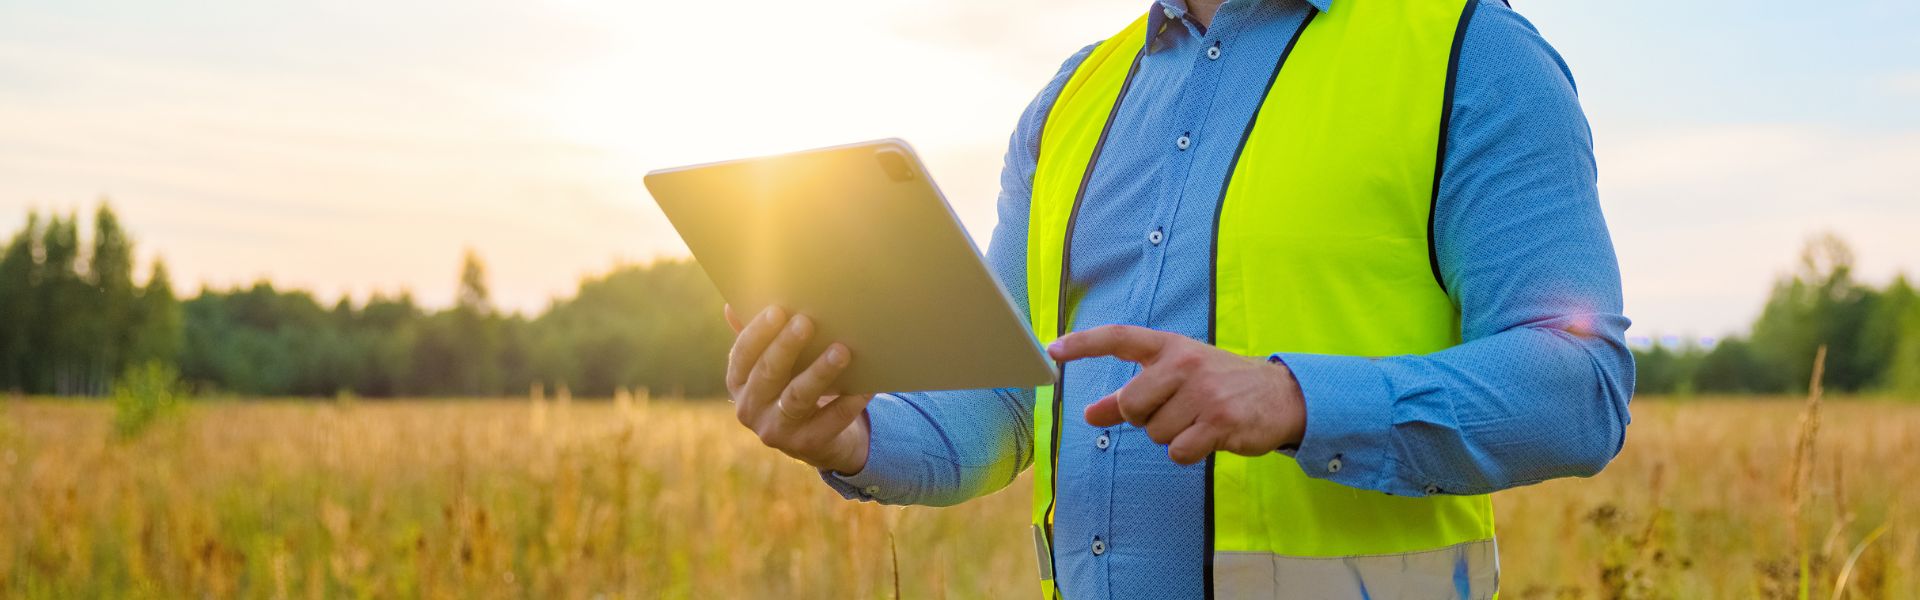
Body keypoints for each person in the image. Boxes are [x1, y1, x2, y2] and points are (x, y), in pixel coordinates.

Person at [721, 0, 1633, 597]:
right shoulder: (1068, 101)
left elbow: (1582, 388)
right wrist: (853, 436)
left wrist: (1296, 398)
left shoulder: (1473, 54)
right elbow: (1005, 404)